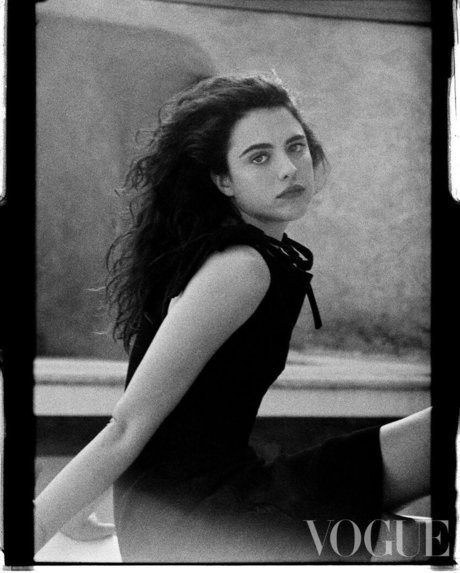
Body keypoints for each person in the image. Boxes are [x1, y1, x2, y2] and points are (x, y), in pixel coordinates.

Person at [34, 73, 431, 563]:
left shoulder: (258, 256)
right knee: (429, 543)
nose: (288, 168)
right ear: (223, 180)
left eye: (296, 147)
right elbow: (128, 423)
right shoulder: (241, 268)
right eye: (259, 157)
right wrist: (34, 526)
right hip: (200, 524)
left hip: (233, 493)